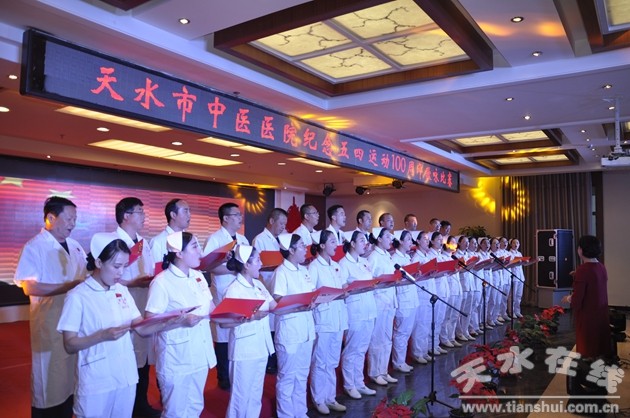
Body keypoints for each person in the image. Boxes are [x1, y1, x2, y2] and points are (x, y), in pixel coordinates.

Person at [57, 233, 167, 418]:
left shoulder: (121, 291)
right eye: (116, 266)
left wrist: (168, 321)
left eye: (124, 266)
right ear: (99, 263)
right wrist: (102, 335)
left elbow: (141, 327)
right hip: (96, 381)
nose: (121, 273)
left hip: (125, 375)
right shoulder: (78, 296)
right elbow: (69, 344)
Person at [14, 196, 87, 418]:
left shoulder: (75, 245)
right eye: (69, 218)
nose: (73, 223)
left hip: (74, 321)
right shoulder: (34, 246)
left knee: (71, 378)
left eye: (75, 218)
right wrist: (69, 286)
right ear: (50, 218)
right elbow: (29, 287)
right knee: (49, 379)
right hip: (49, 321)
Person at [145, 231, 217, 418]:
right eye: (194, 247)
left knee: (195, 406)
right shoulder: (161, 282)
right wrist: (179, 321)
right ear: (179, 253)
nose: (200, 252)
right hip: (177, 359)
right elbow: (148, 325)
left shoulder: (198, 276)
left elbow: (211, 308)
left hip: (200, 353)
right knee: (175, 411)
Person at [113, 197, 158, 417]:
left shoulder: (143, 242)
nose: (144, 216)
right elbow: (107, 277)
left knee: (144, 357)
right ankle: (127, 407)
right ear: (126, 216)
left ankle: (141, 404)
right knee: (126, 356)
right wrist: (132, 282)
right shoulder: (113, 241)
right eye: (139, 212)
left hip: (144, 301)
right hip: (123, 304)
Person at [224, 245, 276, 418]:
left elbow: (274, 306)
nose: (261, 264)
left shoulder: (259, 284)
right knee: (241, 396)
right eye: (258, 260)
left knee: (255, 394)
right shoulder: (234, 289)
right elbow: (225, 322)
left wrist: (299, 304)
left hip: (261, 345)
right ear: (246, 265)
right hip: (244, 349)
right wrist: (252, 317)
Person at [203, 202, 249, 390]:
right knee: (223, 336)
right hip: (223, 290)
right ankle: (223, 377)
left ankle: (238, 372)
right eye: (236, 215)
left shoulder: (242, 239)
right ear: (226, 218)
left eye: (240, 214)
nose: (240, 218)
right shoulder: (214, 239)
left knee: (239, 331)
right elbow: (207, 265)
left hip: (241, 290)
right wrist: (232, 269)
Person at [270, 233, 316, 418]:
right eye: (302, 246)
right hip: (290, 331)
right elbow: (278, 300)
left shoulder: (304, 271)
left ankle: (301, 412)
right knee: (287, 377)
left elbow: (312, 292)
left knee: (302, 374)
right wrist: (300, 303)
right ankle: (286, 414)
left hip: (306, 329)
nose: (305, 249)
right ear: (291, 250)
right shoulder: (281, 272)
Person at [308, 230, 348, 415]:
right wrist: (330, 295)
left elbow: (343, 286)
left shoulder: (336, 266)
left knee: (332, 361)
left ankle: (330, 398)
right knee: (320, 361)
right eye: (332, 242)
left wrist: (345, 291)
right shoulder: (314, 267)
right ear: (322, 245)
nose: (336, 245)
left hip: (338, 318)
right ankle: (319, 399)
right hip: (323, 320)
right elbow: (311, 296)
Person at [339, 230, 377, 399]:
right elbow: (342, 288)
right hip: (354, 311)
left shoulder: (364, 262)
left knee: (362, 349)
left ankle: (359, 383)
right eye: (361, 240)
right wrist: (356, 286)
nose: (365, 244)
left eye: (365, 240)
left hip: (369, 308)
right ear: (352, 244)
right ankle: (349, 385)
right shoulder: (343, 264)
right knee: (352, 349)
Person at [562, 235, 611, 359]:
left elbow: (578, 298)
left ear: (581, 250)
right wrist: (577, 275)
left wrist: (568, 298)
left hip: (588, 313)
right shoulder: (601, 266)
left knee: (588, 348)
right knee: (599, 344)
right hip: (601, 311)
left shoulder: (583, 270)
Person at [367, 227, 398, 386]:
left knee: (387, 338)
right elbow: (369, 280)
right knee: (377, 338)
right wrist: (381, 281)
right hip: (379, 301)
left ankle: (384, 370)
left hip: (390, 299)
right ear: (379, 239)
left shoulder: (387, 255)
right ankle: (375, 372)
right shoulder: (373, 257)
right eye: (387, 237)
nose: (390, 239)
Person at [390, 230, 419, 373]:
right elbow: (394, 280)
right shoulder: (395, 258)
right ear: (400, 241)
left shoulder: (407, 257)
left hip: (412, 298)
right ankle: (398, 362)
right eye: (408, 239)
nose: (411, 242)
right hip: (403, 299)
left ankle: (402, 360)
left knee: (407, 332)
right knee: (401, 332)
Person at [410, 231, 435, 364]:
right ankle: (417, 353)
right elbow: (414, 277)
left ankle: (424, 351)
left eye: (428, 239)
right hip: (421, 294)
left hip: (429, 293)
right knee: (420, 325)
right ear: (418, 241)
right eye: (424, 239)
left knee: (426, 324)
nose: (427, 241)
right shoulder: (416, 258)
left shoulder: (428, 256)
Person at [150, 198, 191, 264]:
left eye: (189, 211)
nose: (189, 215)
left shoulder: (192, 239)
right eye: (185, 211)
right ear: (173, 215)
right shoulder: (157, 242)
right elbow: (154, 268)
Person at [508, 238, 525, 318]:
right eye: (514, 243)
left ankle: (517, 311)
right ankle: (511, 311)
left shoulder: (519, 253)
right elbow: (510, 264)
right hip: (514, 276)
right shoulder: (509, 253)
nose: (516, 244)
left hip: (520, 276)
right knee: (513, 295)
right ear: (511, 244)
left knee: (519, 295)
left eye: (517, 243)